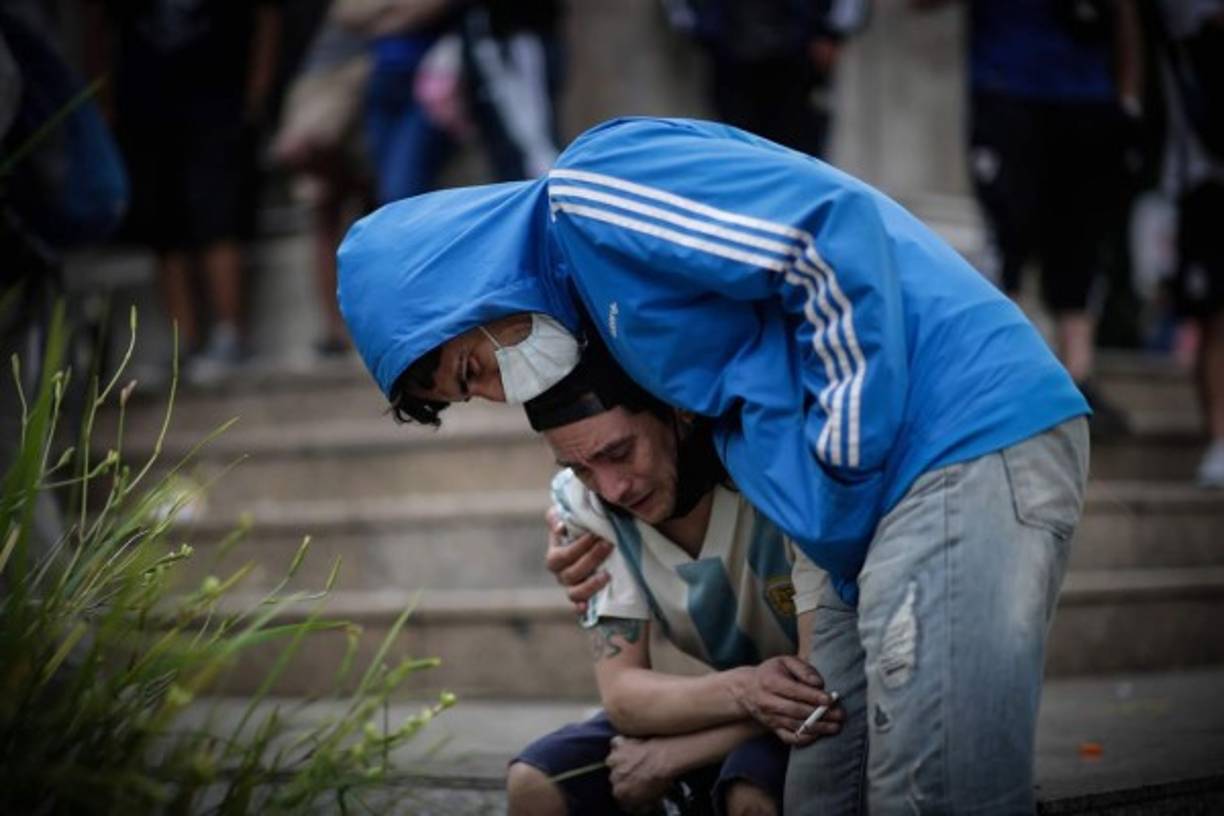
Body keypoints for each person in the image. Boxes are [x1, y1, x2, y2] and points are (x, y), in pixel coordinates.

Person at [338, 116, 1091, 814]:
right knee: (820, 793)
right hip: (856, 518)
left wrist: (841, 467)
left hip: (953, 435)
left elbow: (822, 240)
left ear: (462, 279)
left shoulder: (590, 194)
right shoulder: (593, 315)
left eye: (473, 369)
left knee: (930, 793)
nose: (501, 394)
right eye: (471, 395)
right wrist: (591, 507)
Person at [506, 340, 841, 816]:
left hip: (831, 702)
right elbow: (623, 696)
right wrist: (746, 689)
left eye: (620, 452)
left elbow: (817, 688)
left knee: (751, 794)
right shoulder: (584, 505)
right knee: (535, 783)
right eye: (580, 468)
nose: (612, 489)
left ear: (679, 411)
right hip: (740, 702)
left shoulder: (769, 472)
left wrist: (679, 753)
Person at [913, 0, 1144, 435]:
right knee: (1008, 235)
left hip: (1087, 94)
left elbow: (1124, 14)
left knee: (1080, 242)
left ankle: (1077, 380)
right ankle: (1007, 373)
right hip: (1006, 85)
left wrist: (1129, 96)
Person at [86, 0, 283, 384]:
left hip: (218, 102)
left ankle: (230, 336)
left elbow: (268, 16)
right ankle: (184, 344)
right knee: (164, 227)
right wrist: (103, 100)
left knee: (221, 216)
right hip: (146, 107)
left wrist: (256, 95)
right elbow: (96, 24)